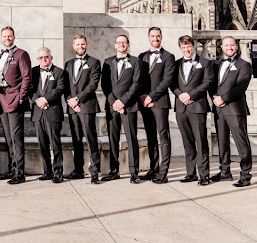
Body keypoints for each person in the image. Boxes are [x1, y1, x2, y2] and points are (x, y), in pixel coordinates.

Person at [210, 36, 253, 188]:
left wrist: (223, 99)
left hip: (235, 109)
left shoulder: (244, 65)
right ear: (221, 47)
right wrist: (215, 99)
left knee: (242, 142)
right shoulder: (215, 64)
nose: (230, 47)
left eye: (232, 45)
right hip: (219, 109)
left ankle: (245, 175)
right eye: (226, 45)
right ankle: (225, 172)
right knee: (222, 142)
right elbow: (210, 84)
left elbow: (240, 87)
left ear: (236, 46)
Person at [173, 35, 214, 186]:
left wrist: (191, 95)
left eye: (189, 46)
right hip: (181, 107)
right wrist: (181, 96)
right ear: (180, 48)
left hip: (197, 106)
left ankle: (204, 175)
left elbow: (207, 82)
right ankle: (191, 173)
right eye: (184, 48)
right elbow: (172, 84)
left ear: (193, 46)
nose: (187, 50)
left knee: (201, 141)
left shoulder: (205, 62)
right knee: (187, 142)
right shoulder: (176, 64)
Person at [101, 34, 142, 184]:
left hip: (129, 105)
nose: (121, 45)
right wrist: (114, 102)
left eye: (124, 42)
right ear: (115, 45)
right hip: (112, 107)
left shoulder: (136, 61)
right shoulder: (107, 62)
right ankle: (113, 171)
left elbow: (136, 84)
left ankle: (134, 172)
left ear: (128, 44)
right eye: (118, 42)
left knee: (132, 139)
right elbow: (105, 85)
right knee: (113, 139)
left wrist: (123, 101)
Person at [138, 27, 175, 184]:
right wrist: (143, 96)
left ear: (161, 37)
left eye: (158, 36)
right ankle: (154, 169)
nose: (155, 38)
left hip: (160, 102)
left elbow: (167, 80)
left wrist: (152, 96)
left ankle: (164, 173)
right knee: (151, 137)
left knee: (163, 136)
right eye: (153, 36)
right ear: (148, 38)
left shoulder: (168, 56)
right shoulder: (142, 56)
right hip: (145, 103)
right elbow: (138, 78)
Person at [63, 34, 101, 184]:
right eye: (77, 45)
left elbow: (92, 85)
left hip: (87, 106)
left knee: (91, 139)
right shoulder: (68, 64)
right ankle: (78, 170)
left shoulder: (94, 62)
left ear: (87, 44)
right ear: (73, 46)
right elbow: (65, 85)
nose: (80, 47)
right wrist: (70, 101)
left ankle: (94, 172)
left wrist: (77, 99)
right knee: (76, 139)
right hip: (73, 108)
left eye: (82, 44)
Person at [0, 26, 31, 185]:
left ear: (14, 37)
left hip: (15, 101)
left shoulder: (21, 54)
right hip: (2, 102)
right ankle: (12, 169)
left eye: (9, 36)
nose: (7, 38)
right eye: (4, 36)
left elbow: (27, 77)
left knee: (17, 138)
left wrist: (21, 97)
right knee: (9, 139)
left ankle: (20, 173)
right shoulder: (0, 55)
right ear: (1, 38)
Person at [30, 47, 65, 183]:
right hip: (38, 113)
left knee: (55, 143)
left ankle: (58, 173)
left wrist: (45, 99)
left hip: (52, 113)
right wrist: (37, 100)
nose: (43, 59)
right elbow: (30, 89)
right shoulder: (33, 71)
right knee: (43, 144)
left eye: (46, 57)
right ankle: (47, 172)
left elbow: (60, 89)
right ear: (37, 59)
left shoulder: (59, 72)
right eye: (41, 57)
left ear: (51, 57)